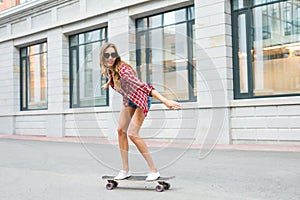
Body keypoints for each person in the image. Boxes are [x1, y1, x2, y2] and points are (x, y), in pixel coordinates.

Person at [100, 42, 181, 181]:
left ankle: (154, 170)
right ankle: (125, 170)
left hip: (141, 99)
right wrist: (109, 83)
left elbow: (145, 87)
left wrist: (165, 101)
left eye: (113, 54)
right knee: (120, 131)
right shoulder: (110, 70)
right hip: (129, 100)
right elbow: (116, 79)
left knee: (133, 134)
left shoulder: (124, 71)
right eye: (107, 55)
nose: (110, 57)